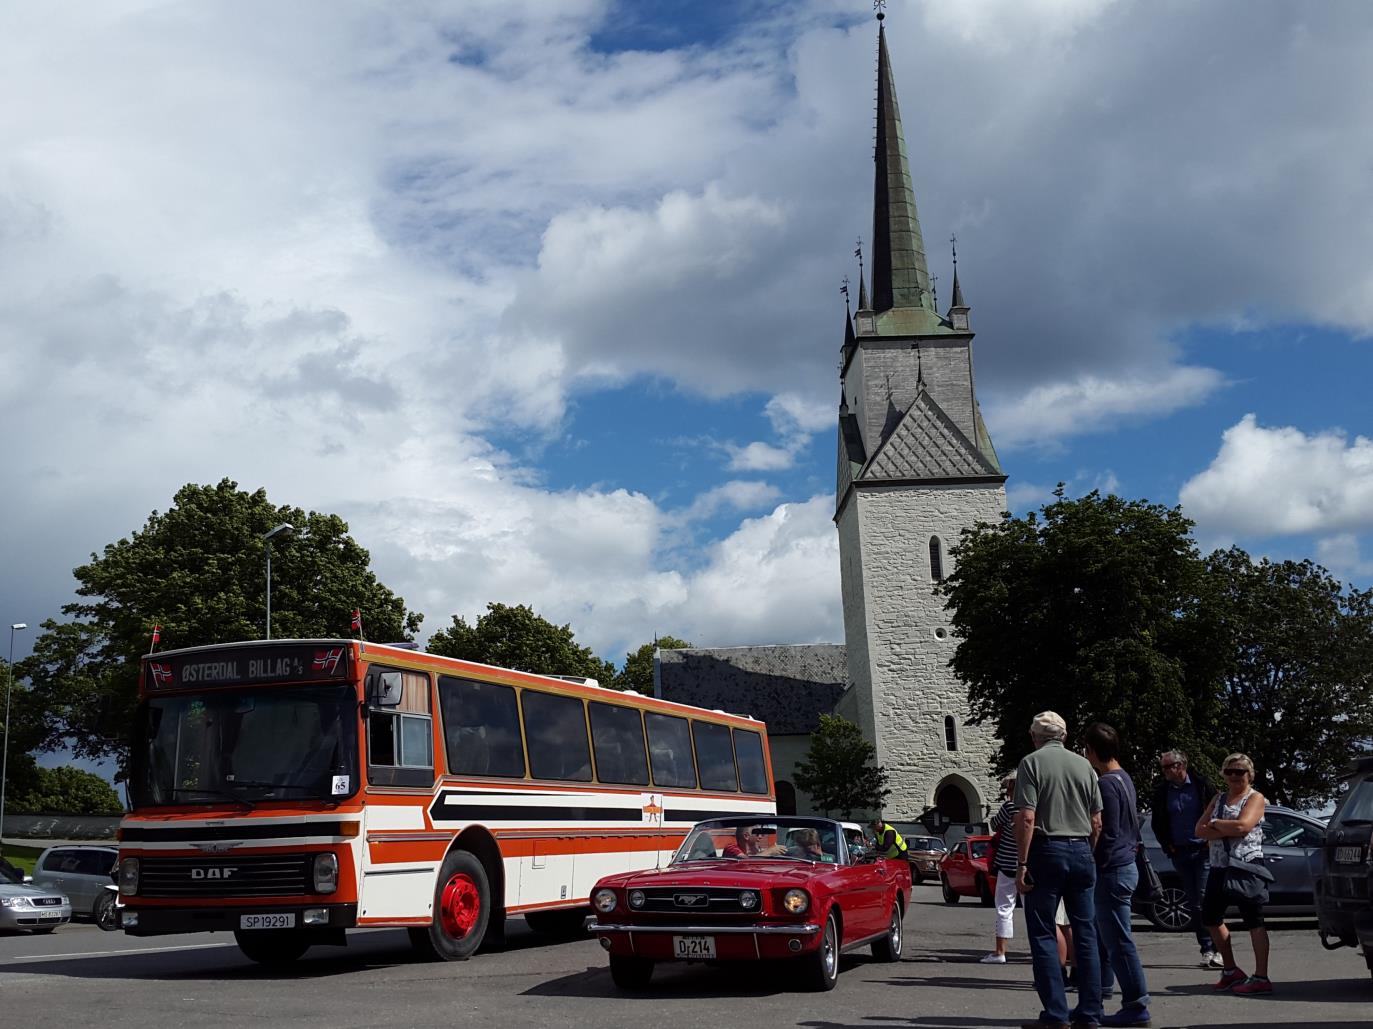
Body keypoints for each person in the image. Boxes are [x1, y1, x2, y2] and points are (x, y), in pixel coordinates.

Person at [1014, 711, 1104, 1029]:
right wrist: (1087, 853)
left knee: (1043, 934)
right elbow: (1097, 821)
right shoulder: (1084, 766)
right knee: (1086, 933)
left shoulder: (1031, 763)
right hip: (1081, 849)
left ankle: (1056, 1013)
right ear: (1064, 736)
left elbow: (1026, 816)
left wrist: (1022, 863)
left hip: (1046, 849)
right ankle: (1091, 1012)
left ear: (1035, 736)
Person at [1083, 723, 1151, 1028]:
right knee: (1108, 938)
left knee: (1119, 940)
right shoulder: (1124, 778)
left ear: (1093, 751)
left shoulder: (1107, 784)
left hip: (1113, 869)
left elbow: (1106, 831)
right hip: (1127, 865)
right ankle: (1098, 996)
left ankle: (1136, 1004)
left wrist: (1096, 863)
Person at [1196, 753, 1272, 995]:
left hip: (1246, 865)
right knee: (1210, 918)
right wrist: (1224, 827)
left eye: (1239, 772)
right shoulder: (1218, 799)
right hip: (1219, 866)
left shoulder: (1255, 798)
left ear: (1250, 775)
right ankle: (1230, 970)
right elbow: (1199, 830)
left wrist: (1216, 825)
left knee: (1254, 920)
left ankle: (1261, 976)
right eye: (1229, 772)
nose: (1234, 777)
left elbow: (1244, 826)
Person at [1150, 749, 1219, 968]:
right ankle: (1207, 948)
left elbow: (1217, 810)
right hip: (1179, 852)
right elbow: (1157, 822)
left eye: (1167, 767)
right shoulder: (1162, 792)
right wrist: (1167, 845)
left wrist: (1212, 838)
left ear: (1180, 766)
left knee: (1203, 899)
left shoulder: (1201, 785)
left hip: (1203, 850)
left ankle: (1214, 947)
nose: (1164, 771)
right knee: (1193, 902)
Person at [981, 773, 1020, 964]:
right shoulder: (1033, 807)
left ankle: (1000, 952)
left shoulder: (1010, 806)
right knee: (1035, 909)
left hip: (1007, 863)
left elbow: (994, 824)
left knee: (1004, 907)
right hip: (1028, 863)